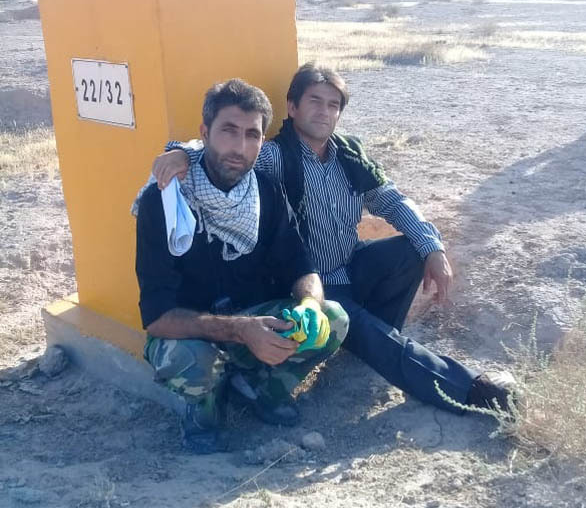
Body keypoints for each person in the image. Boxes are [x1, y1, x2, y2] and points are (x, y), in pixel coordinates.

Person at [151, 64, 516, 416]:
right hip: (314, 285)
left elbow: (391, 200)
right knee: (376, 337)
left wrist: (432, 247)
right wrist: (182, 153)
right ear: (292, 107)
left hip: (351, 263)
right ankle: (470, 390)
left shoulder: (351, 156)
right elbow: (231, 155)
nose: (324, 112)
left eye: (333, 104)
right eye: (314, 101)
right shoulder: (276, 157)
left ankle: (372, 337)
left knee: (411, 251)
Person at [133, 78, 349, 454]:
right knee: (192, 360)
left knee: (335, 319)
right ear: (204, 133)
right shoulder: (165, 201)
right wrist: (240, 330)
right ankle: (204, 411)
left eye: (252, 135)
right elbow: (157, 317)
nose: (240, 147)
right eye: (228, 131)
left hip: (254, 320)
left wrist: (310, 305)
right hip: (190, 333)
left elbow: (301, 266)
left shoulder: (265, 190)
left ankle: (263, 391)